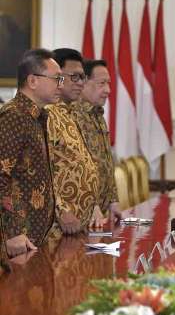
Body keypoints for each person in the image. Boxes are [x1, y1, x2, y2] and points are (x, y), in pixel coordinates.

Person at [0, 48, 62, 258]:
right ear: (33, 81)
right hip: (18, 238)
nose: (60, 85)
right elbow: (2, 175)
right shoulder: (13, 116)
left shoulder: (37, 117)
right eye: (56, 79)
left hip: (36, 235)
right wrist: (13, 232)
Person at [46, 48, 102, 234]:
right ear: (57, 77)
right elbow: (42, 170)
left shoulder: (69, 113)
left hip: (78, 225)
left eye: (83, 77)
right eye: (75, 77)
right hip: (57, 225)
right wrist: (61, 210)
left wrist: (93, 204)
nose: (81, 83)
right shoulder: (47, 114)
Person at [74, 59, 120, 222]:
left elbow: (107, 161)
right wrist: (91, 205)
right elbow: (76, 167)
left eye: (108, 83)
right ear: (84, 82)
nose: (108, 90)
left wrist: (113, 200)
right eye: (102, 83)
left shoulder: (98, 114)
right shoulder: (73, 116)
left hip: (102, 212)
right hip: (82, 212)